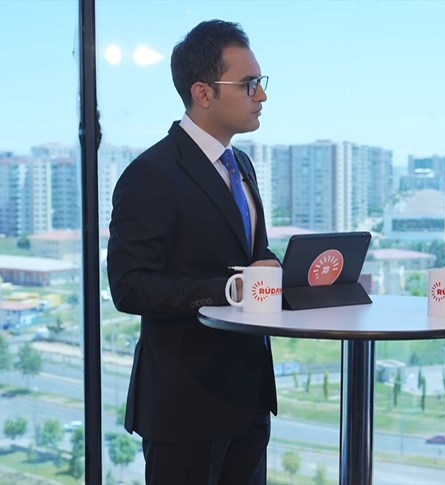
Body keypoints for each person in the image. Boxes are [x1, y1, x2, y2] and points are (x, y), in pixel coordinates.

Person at [107, 19, 278, 485]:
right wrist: (231, 288)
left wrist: (278, 267)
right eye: (249, 85)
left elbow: (251, 253)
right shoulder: (152, 174)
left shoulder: (240, 164)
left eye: (260, 83)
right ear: (203, 93)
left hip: (249, 400)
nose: (261, 95)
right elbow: (129, 286)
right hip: (185, 407)